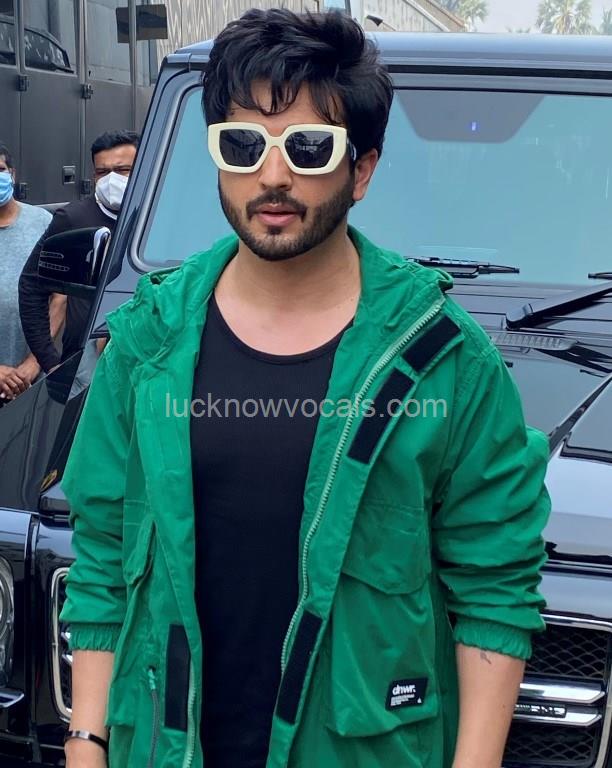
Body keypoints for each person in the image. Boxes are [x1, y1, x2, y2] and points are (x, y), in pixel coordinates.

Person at [61, 10, 551, 768]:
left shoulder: (442, 357)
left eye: (309, 146)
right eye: (243, 144)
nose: (273, 175)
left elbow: (494, 587)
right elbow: (101, 551)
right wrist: (86, 742)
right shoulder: (148, 341)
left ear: (363, 169)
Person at [18, 130, 139, 374]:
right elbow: (32, 284)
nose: (112, 179)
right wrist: (49, 361)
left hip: (149, 355)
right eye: (102, 172)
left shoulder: (160, 216)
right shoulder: (73, 218)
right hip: (86, 362)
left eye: (123, 170)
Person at [0, 143, 58, 402]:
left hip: (30, 382)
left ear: (12, 174)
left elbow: (59, 297)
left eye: (0, 169)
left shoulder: (43, 223)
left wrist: (35, 362)